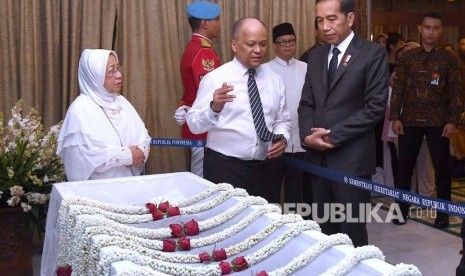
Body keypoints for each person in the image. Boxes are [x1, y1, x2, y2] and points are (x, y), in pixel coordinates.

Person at [298, 0, 388, 247]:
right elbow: (307, 103)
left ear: (350, 19)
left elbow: (375, 108)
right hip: (318, 160)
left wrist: (332, 135)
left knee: (352, 232)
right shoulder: (315, 56)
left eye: (331, 18)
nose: (325, 26)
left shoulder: (371, 53)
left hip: (352, 161)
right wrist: (307, 135)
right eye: (319, 20)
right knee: (325, 231)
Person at [186, 17, 291, 196]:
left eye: (263, 44)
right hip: (224, 168)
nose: (258, 50)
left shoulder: (275, 80)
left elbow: (283, 120)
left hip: (265, 169)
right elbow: (194, 125)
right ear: (235, 45)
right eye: (251, 44)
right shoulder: (216, 78)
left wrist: (283, 138)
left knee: (263, 222)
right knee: (227, 222)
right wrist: (214, 108)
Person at [390, 12, 462, 227]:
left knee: (442, 170)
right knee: (404, 168)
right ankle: (400, 211)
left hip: (438, 122)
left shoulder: (449, 59)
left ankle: (443, 214)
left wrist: (452, 121)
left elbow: (456, 93)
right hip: (409, 120)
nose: (431, 32)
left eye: (435, 28)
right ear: (420, 29)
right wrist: (395, 117)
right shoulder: (407, 58)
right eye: (427, 27)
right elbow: (398, 91)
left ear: (441, 30)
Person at [57, 49, 150, 181]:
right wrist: (127, 156)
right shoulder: (80, 110)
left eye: (118, 69)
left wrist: (141, 151)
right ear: (94, 76)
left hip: (129, 185)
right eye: (111, 71)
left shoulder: (122, 102)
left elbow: (143, 135)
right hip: (97, 192)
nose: (118, 75)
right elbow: (82, 158)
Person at [173, 1, 221, 177]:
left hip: (199, 124)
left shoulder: (194, 47)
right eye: (216, 19)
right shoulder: (203, 53)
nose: (219, 24)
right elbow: (208, 93)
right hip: (204, 125)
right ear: (205, 23)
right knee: (204, 179)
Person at [263, 23, 308, 205]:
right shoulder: (264, 70)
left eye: (291, 41)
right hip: (273, 144)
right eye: (283, 42)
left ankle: (294, 229)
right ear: (275, 44)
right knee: (270, 191)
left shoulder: (306, 68)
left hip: (299, 143)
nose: (288, 45)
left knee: (295, 194)